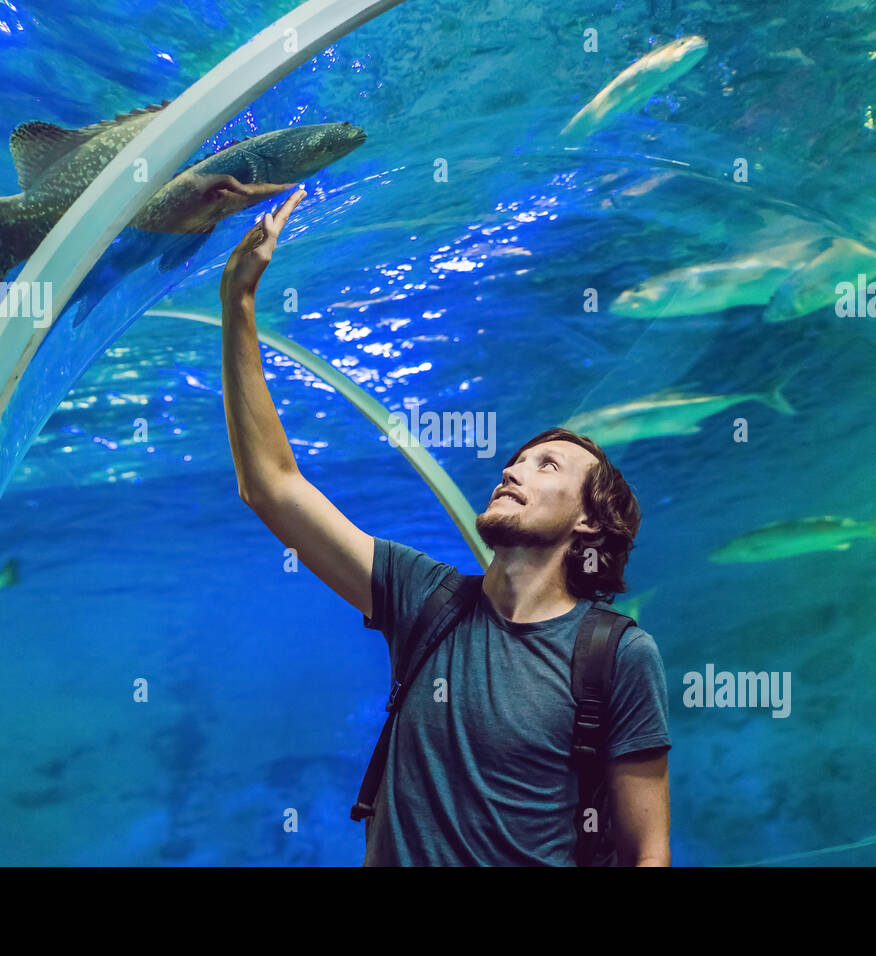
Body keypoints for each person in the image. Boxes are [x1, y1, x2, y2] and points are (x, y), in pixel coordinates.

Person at [219, 187, 672, 866]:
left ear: (588, 522)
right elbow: (273, 487)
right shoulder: (425, 600)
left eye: (545, 465)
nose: (512, 470)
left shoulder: (616, 657)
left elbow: (648, 851)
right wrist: (239, 304)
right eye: (515, 458)